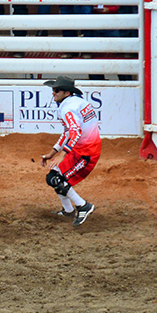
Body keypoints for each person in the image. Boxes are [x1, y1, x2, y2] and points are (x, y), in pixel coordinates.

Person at [39, 76, 99, 226]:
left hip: (86, 151)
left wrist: (62, 154)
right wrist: (52, 153)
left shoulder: (67, 108)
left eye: (56, 90)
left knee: (56, 179)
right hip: (84, 148)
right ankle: (68, 210)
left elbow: (75, 132)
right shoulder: (78, 103)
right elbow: (68, 132)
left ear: (66, 93)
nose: (53, 93)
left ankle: (83, 206)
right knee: (53, 177)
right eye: (53, 89)